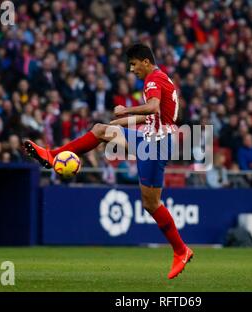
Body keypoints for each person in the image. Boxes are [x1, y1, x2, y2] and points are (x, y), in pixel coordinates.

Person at [24, 43, 193, 279]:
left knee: (152, 203)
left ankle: (181, 250)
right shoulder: (161, 77)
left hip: (157, 143)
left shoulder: (153, 79)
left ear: (145, 61)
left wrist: (125, 112)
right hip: (154, 138)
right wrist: (120, 123)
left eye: (134, 64)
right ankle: (52, 155)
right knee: (102, 130)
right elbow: (157, 117)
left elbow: (153, 108)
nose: (131, 69)